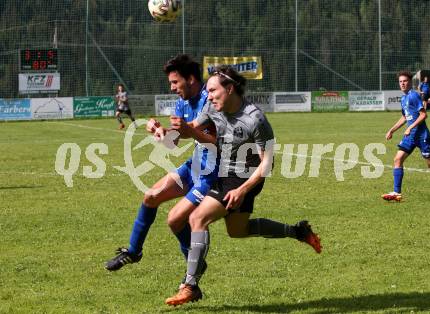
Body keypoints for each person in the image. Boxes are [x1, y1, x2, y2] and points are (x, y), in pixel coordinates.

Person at [165, 65, 322, 306]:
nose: (209, 95)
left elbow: (267, 164)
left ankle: (190, 286)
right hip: (224, 171)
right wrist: (165, 134)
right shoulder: (211, 106)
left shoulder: (255, 119)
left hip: (246, 177)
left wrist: (242, 190)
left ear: (229, 89)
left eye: (213, 90)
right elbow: (190, 130)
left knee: (197, 219)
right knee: (238, 231)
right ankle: (298, 231)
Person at [105, 55, 217, 277]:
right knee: (151, 196)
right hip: (195, 165)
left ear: (191, 78)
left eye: (175, 82)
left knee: (176, 219)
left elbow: (201, 131)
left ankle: (194, 265)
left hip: (213, 174)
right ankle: (134, 252)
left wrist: (179, 131)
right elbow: (172, 143)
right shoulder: (181, 103)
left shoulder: (211, 99)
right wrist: (161, 132)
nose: (173, 88)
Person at [382, 71, 430, 201]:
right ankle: (397, 193)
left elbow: (423, 115)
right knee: (397, 159)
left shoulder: (414, 96)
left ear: (410, 82)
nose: (402, 83)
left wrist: (410, 127)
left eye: (405, 81)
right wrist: (392, 130)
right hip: (410, 136)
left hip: (421, 135)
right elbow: (404, 117)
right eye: (400, 82)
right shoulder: (403, 98)